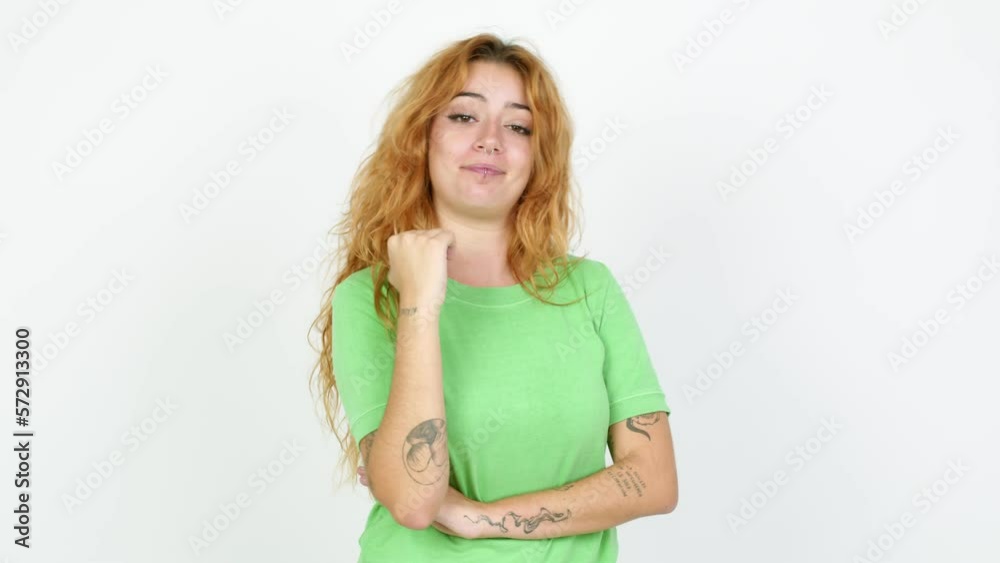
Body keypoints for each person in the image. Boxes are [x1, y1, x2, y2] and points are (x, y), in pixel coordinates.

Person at [309, 32, 678, 562]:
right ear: (422, 137)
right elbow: (415, 501)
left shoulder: (589, 290)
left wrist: (479, 520)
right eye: (463, 116)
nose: (490, 140)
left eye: (518, 125)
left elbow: (654, 479)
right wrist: (419, 305)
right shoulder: (369, 298)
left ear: (537, 156)